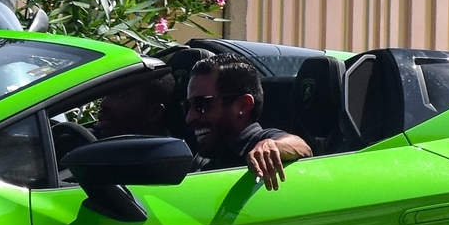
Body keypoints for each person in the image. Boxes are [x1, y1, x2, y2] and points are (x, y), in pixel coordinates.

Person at [186, 53, 312, 190]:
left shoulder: (258, 141)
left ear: (243, 105)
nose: (190, 117)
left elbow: (301, 147)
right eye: (188, 105)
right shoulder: (204, 158)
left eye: (201, 104)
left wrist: (270, 146)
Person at [94, 66, 177, 139]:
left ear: (154, 113)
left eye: (120, 95)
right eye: (106, 94)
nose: (104, 103)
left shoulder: (165, 155)